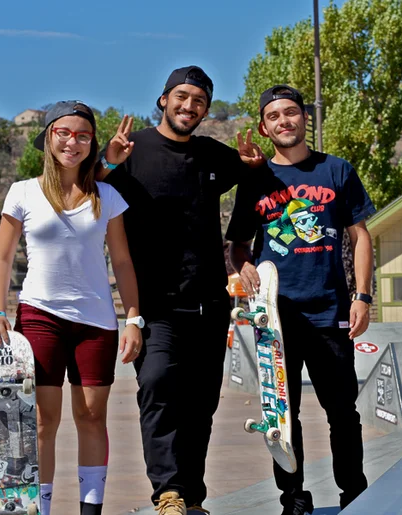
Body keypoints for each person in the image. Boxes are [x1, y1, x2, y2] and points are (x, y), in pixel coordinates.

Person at [95, 65, 265, 515]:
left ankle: (191, 497)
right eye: (182, 97)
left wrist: (239, 245)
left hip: (210, 302)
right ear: (164, 100)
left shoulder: (212, 154)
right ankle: (167, 492)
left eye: (199, 101)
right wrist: (108, 162)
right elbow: (84, 190)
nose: (189, 106)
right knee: (156, 386)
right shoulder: (133, 151)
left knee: (200, 404)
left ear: (206, 110)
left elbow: (253, 182)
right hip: (153, 304)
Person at [0, 100, 143, 515]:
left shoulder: (106, 196)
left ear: (91, 143)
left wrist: (133, 318)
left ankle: (91, 510)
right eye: (64, 133)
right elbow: (2, 258)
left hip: (97, 322)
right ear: (49, 138)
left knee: (92, 417)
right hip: (40, 316)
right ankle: (41, 509)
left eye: (83, 135)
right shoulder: (22, 192)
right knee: (42, 421)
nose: (73, 142)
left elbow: (122, 261)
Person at [226, 84, 376, 514]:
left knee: (342, 412)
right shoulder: (255, 181)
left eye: (291, 113)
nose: (284, 122)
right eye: (274, 117)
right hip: (276, 319)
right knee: (281, 418)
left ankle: (355, 495)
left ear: (304, 118)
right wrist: (243, 266)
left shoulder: (336, 170)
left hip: (330, 312)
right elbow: (235, 244)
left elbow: (360, 237)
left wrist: (362, 296)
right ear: (264, 127)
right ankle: (293, 500)